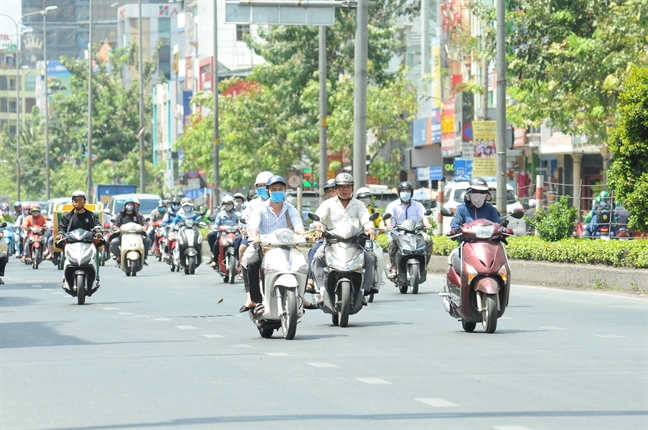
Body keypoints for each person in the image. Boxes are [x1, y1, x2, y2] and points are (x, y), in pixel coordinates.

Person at [241, 175, 312, 312]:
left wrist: (304, 235)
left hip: (287, 247)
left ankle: (300, 298)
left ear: (285, 190)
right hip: (264, 247)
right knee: (250, 263)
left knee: (303, 265)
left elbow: (298, 225)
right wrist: (255, 236)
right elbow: (254, 226)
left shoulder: (290, 208)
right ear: (268, 191)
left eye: (280, 189)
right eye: (274, 189)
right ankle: (256, 301)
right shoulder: (260, 208)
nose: (277, 192)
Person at [310, 173, 377, 303]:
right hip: (332, 243)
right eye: (341, 187)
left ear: (352, 188)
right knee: (317, 257)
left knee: (370, 259)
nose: (344, 189)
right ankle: (321, 290)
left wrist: (370, 229)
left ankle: (363, 291)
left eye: (347, 186)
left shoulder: (359, 205)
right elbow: (319, 218)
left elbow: (366, 219)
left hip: (354, 243)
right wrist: (318, 228)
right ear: (336, 188)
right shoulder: (328, 204)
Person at [385, 181, 433, 279]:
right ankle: (394, 267)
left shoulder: (417, 205)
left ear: (411, 192)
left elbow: (424, 216)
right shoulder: (393, 205)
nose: (405, 193)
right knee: (391, 242)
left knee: (428, 240)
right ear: (399, 192)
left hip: (415, 233)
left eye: (407, 191)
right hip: (398, 233)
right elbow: (388, 217)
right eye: (403, 191)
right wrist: (389, 225)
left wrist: (427, 224)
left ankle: (425, 265)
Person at [56, 190, 103, 289]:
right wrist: (60, 234)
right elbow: (62, 228)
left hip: (87, 243)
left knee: (96, 256)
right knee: (66, 258)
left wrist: (98, 233)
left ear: (85, 201)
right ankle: (65, 279)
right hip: (72, 243)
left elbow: (98, 225)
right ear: (72, 202)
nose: (78, 202)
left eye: (80, 200)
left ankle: (95, 278)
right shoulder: (67, 216)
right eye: (76, 200)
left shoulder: (91, 215)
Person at [236, 171, 273, 277]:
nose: (262, 188)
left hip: (278, 241)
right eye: (259, 186)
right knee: (249, 259)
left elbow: (295, 223)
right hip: (258, 241)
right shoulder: (253, 205)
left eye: (264, 185)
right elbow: (249, 221)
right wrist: (251, 234)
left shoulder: (284, 204)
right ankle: (245, 276)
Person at [305, 179, 337, 294]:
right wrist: (318, 229)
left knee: (367, 256)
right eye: (327, 191)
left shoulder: (352, 204)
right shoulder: (325, 205)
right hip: (327, 240)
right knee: (314, 252)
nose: (330, 194)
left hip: (349, 241)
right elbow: (318, 219)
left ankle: (364, 288)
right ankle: (310, 281)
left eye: (332, 190)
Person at [110, 198, 150, 264]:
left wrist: (144, 227)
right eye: (128, 204)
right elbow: (115, 224)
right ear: (125, 206)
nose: (129, 206)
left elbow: (145, 222)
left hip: (137, 235)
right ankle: (119, 257)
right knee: (114, 242)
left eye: (131, 204)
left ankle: (144, 257)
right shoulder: (120, 215)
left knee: (147, 241)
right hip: (123, 235)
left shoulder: (138, 215)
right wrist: (116, 228)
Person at [208, 195, 239, 267]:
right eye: (226, 204)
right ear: (223, 205)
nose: (228, 206)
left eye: (229, 204)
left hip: (234, 235)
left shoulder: (236, 214)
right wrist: (215, 228)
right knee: (216, 244)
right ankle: (215, 260)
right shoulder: (220, 214)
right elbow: (216, 224)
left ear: (232, 204)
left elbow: (240, 223)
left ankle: (239, 262)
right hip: (222, 235)